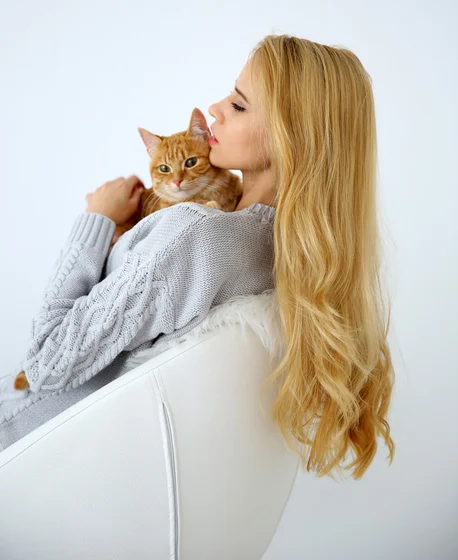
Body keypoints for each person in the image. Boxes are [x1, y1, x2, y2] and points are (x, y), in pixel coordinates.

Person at [0, 34, 395, 481]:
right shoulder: (279, 255)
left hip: (24, 444)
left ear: (292, 136)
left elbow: (47, 363)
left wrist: (96, 221)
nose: (215, 108)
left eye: (239, 106)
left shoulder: (194, 234)